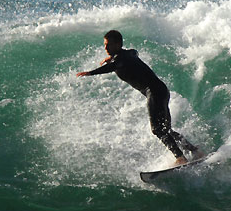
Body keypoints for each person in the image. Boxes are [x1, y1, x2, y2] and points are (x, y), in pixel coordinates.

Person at [77, 30, 203, 166]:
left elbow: (113, 66)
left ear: (118, 44)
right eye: (105, 45)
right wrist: (111, 58)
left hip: (154, 92)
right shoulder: (128, 53)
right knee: (167, 130)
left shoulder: (119, 59)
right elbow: (134, 52)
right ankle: (195, 151)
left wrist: (91, 72)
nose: (105, 48)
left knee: (158, 130)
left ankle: (180, 158)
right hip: (162, 90)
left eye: (108, 45)